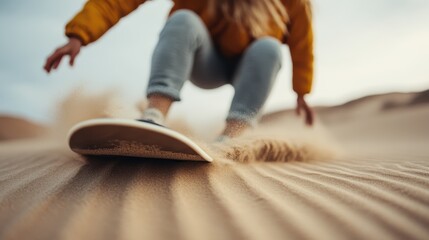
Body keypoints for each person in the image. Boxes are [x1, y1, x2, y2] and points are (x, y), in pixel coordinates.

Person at [44, 0, 315, 140]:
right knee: (183, 20)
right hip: (203, 61)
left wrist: (302, 91)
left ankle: (234, 135)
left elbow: (303, 41)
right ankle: (153, 115)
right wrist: (78, 35)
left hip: (249, 69)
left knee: (269, 47)